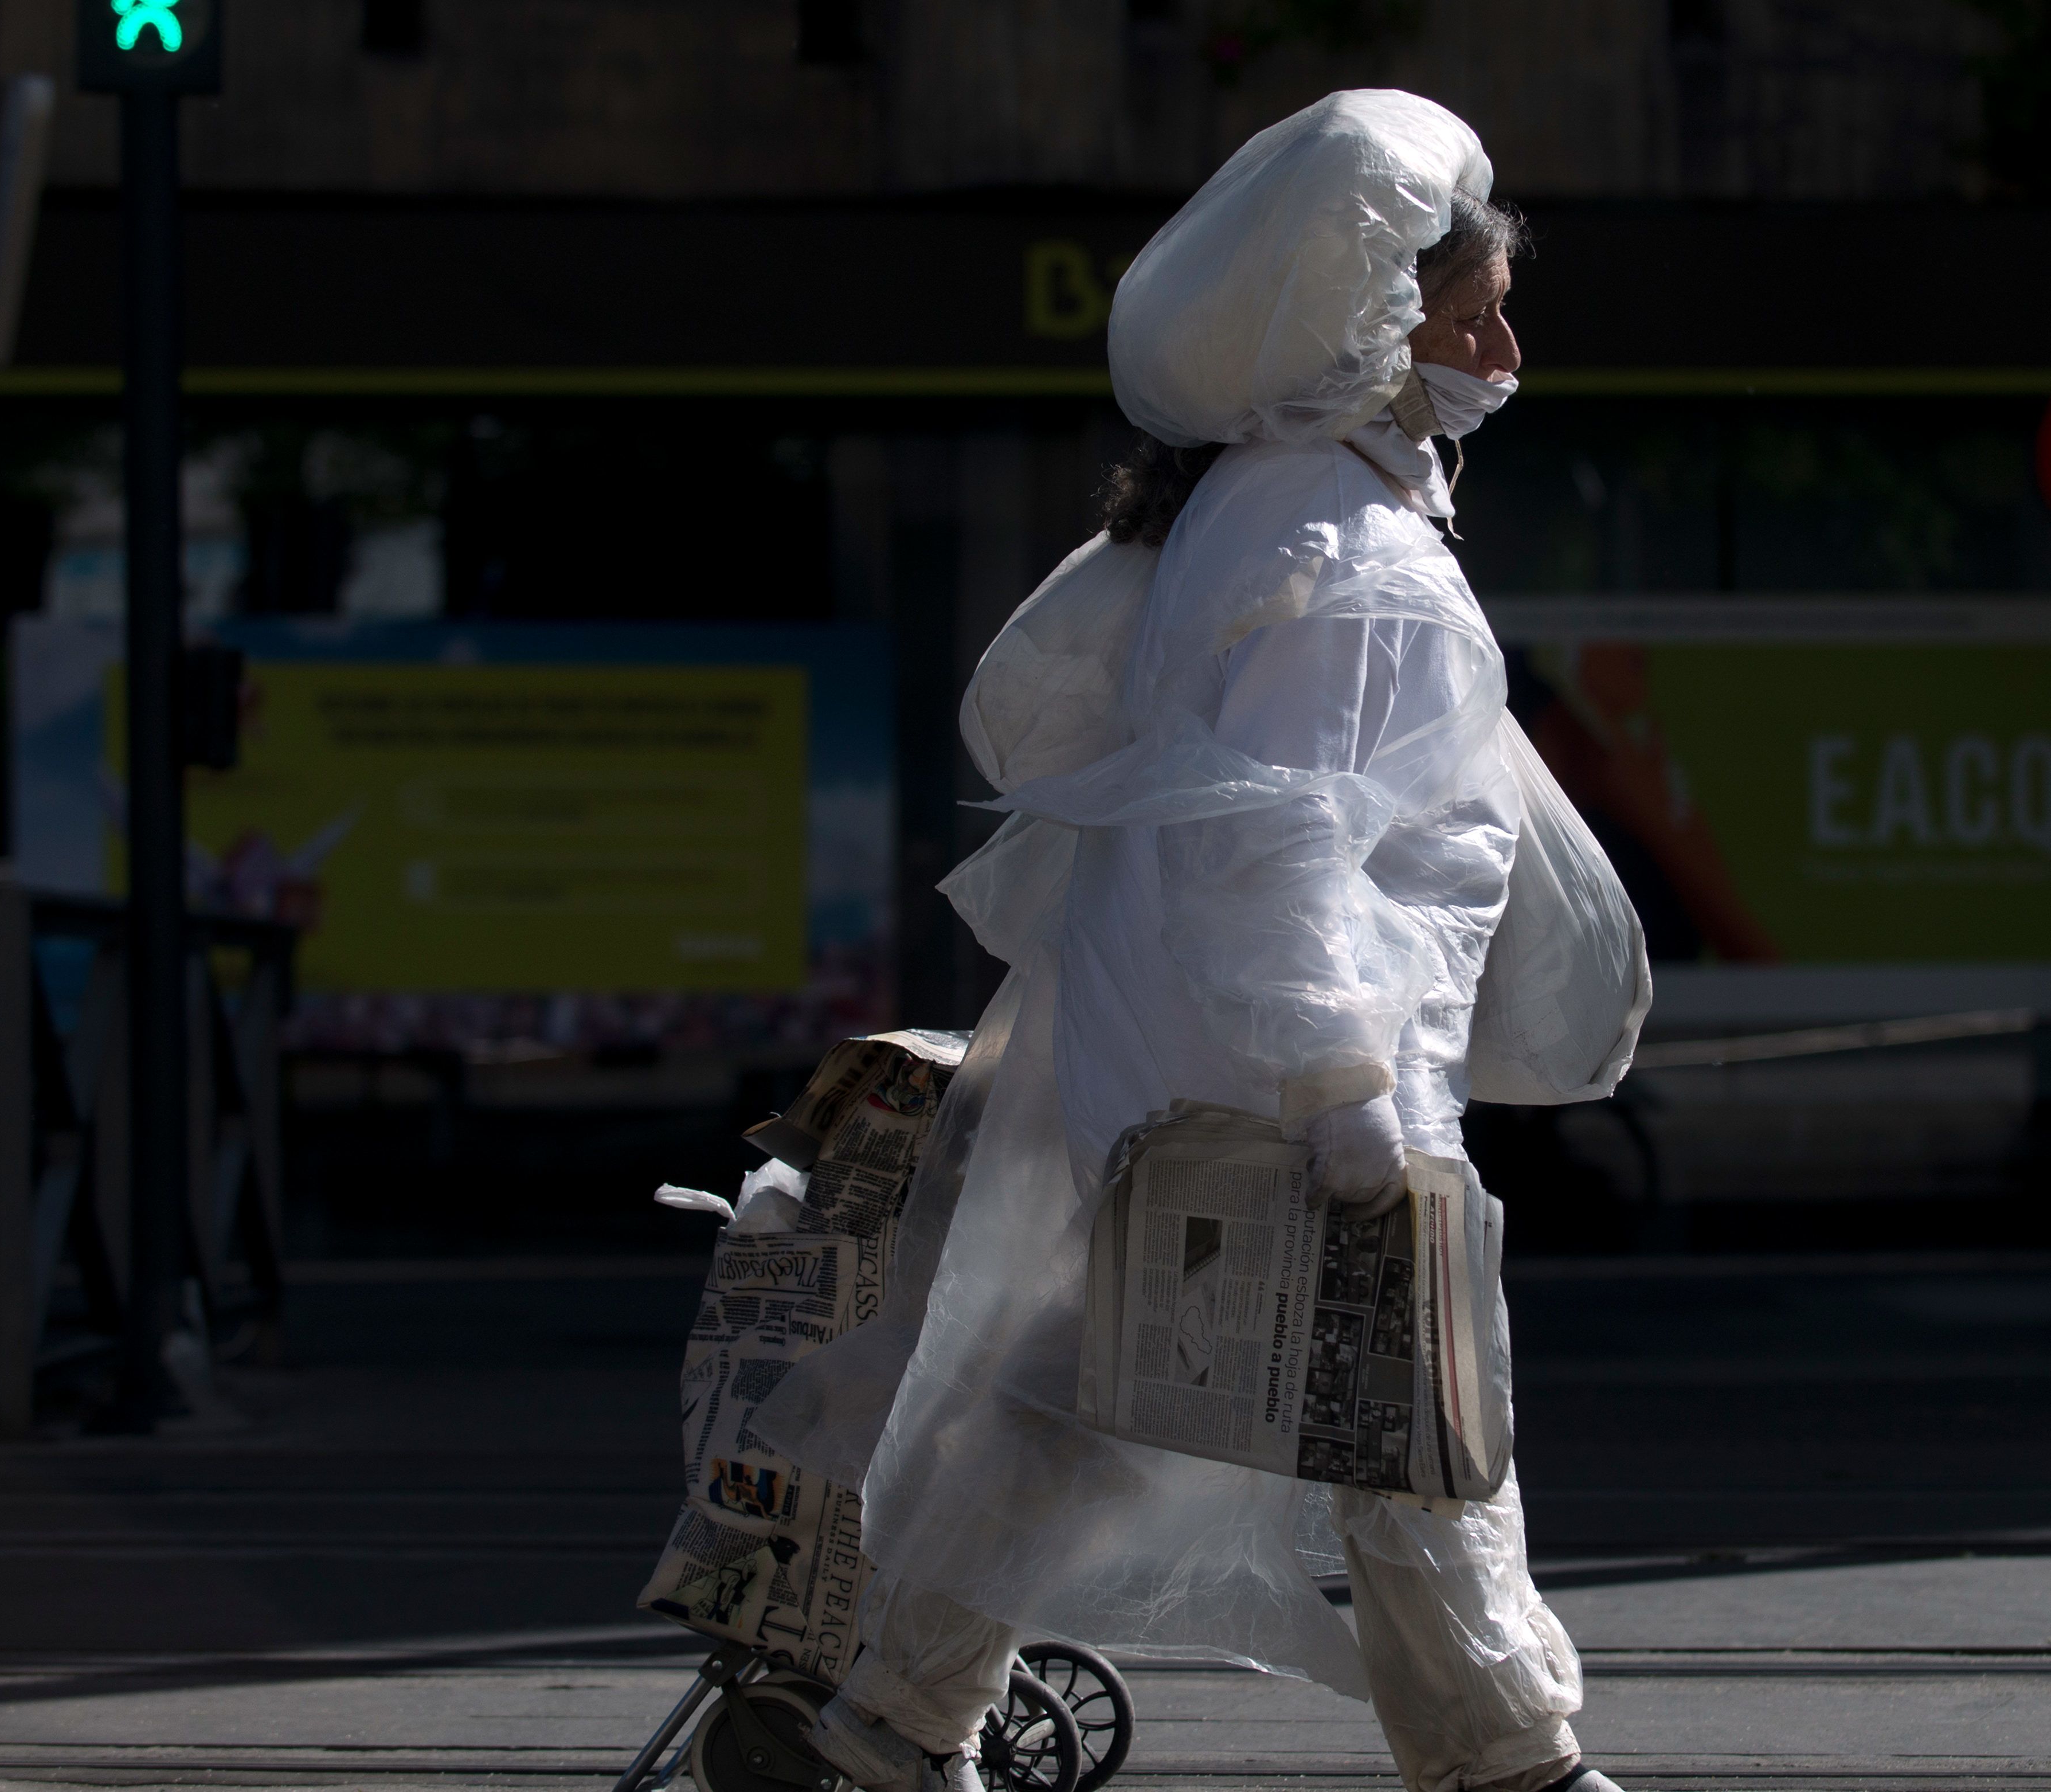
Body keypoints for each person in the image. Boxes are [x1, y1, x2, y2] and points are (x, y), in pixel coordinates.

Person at [745, 88, 1646, 1792]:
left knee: (1072, 1402)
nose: (1506, 350)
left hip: (1163, 1084)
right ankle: (1517, 1771)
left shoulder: (1247, 509)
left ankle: (887, 1725)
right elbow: (1278, 840)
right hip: (1302, 1100)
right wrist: (1343, 1090)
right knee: (1420, 1443)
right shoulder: (1353, 553)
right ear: (1371, 330)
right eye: (1472, 313)